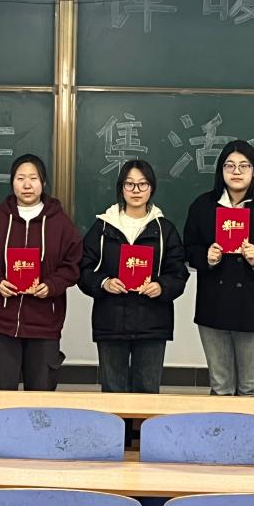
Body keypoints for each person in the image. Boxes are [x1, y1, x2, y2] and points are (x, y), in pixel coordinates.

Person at [183, 139, 254, 396]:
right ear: (220, 170)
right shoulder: (203, 206)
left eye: (244, 166)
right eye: (229, 165)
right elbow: (188, 249)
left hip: (253, 306)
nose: (236, 171)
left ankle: (250, 425)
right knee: (220, 385)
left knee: (250, 387)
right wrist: (206, 257)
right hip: (213, 305)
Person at [0, 153, 82, 390]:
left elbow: (72, 265)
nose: (27, 184)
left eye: (33, 178)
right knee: (0, 397)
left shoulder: (61, 224)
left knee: (40, 398)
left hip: (44, 324)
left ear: (43, 182)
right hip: (1, 322)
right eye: (20, 178)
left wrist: (51, 286)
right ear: (12, 182)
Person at [79, 159, 188, 393]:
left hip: (152, 322)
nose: (136, 190)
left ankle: (142, 423)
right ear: (121, 188)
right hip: (111, 321)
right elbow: (83, 269)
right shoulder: (103, 227)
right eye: (129, 184)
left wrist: (161, 286)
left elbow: (178, 272)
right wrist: (104, 283)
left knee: (147, 393)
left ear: (152, 188)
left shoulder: (164, 229)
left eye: (142, 184)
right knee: (112, 391)